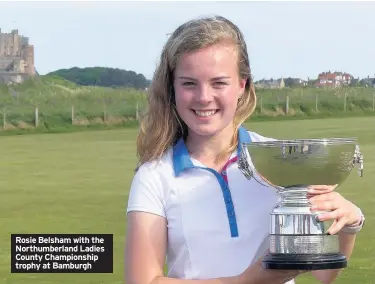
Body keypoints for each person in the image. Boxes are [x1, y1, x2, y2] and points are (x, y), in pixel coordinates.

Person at [125, 15, 365, 284]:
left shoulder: (280, 160)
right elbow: (142, 281)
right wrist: (248, 280)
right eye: (189, 83)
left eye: (219, 82)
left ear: (242, 85)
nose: (204, 97)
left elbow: (324, 273)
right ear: (172, 87)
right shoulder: (155, 176)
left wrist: (349, 225)